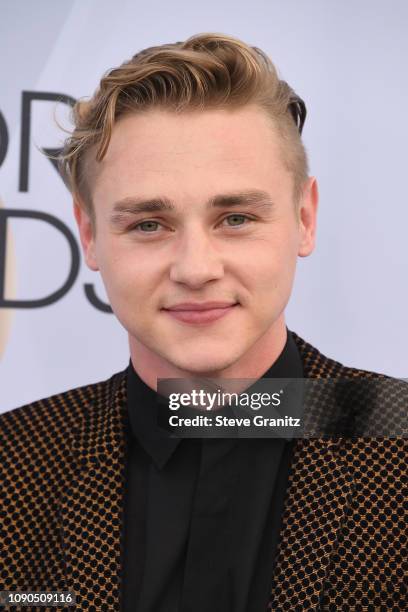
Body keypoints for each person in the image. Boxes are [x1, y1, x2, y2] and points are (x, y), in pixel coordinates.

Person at [1, 33, 406, 611]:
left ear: (305, 218)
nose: (195, 268)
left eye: (235, 217)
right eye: (148, 224)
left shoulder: (399, 438)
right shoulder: (13, 464)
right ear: (89, 235)